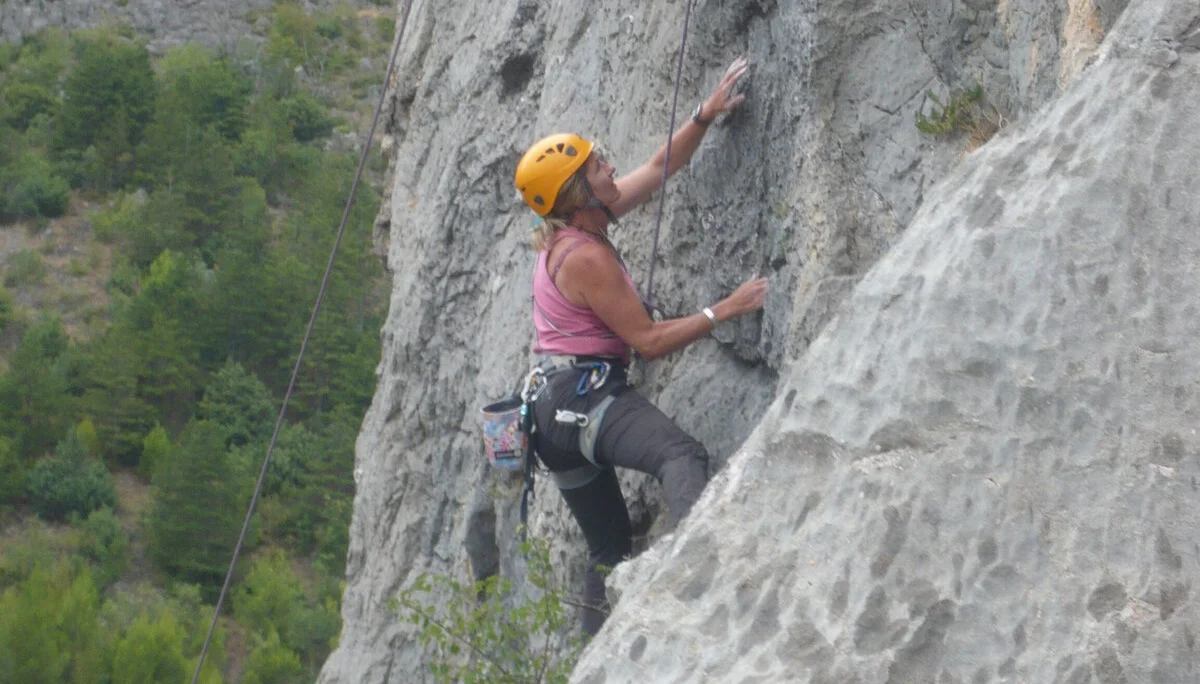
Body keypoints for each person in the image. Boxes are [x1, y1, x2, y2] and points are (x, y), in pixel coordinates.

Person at [512, 57, 768, 636]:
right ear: (579, 195)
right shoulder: (587, 256)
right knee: (680, 456)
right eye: (598, 165)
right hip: (585, 401)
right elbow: (648, 342)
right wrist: (722, 309)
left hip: (552, 416)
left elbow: (658, 167)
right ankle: (706, 579)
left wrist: (704, 113)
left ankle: (590, 660)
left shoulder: (574, 229)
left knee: (607, 545)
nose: (610, 166)